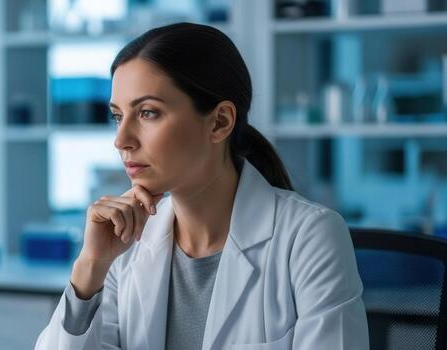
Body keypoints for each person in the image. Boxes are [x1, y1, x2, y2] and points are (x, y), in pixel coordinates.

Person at [35, 22, 369, 350]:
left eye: (148, 113)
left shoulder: (309, 237)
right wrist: (91, 265)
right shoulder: (126, 246)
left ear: (220, 122)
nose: (121, 140)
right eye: (118, 116)